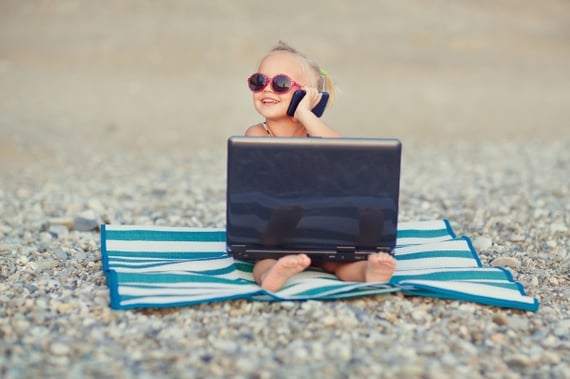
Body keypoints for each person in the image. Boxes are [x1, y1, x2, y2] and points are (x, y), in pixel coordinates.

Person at [245, 41, 396, 292]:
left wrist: (305, 115)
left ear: (308, 96)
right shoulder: (257, 133)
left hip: (322, 229)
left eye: (280, 84)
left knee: (340, 261)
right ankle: (272, 274)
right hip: (276, 229)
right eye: (259, 81)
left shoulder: (317, 133)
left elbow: (345, 155)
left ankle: (368, 272)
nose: (267, 89)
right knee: (264, 258)